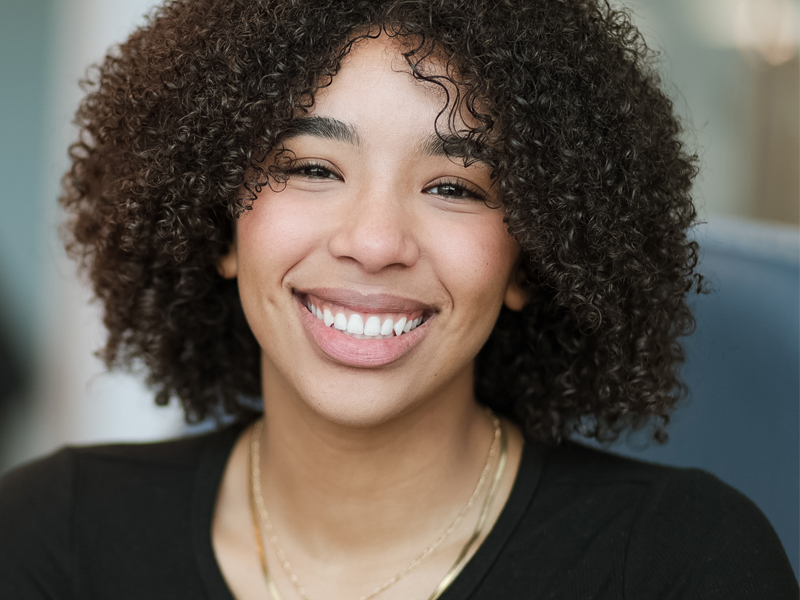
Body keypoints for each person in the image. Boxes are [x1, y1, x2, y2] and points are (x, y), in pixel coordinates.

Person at [0, 0, 796, 598]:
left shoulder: (682, 561)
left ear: (531, 256)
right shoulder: (50, 539)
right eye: (313, 168)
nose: (375, 241)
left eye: (453, 186)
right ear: (217, 223)